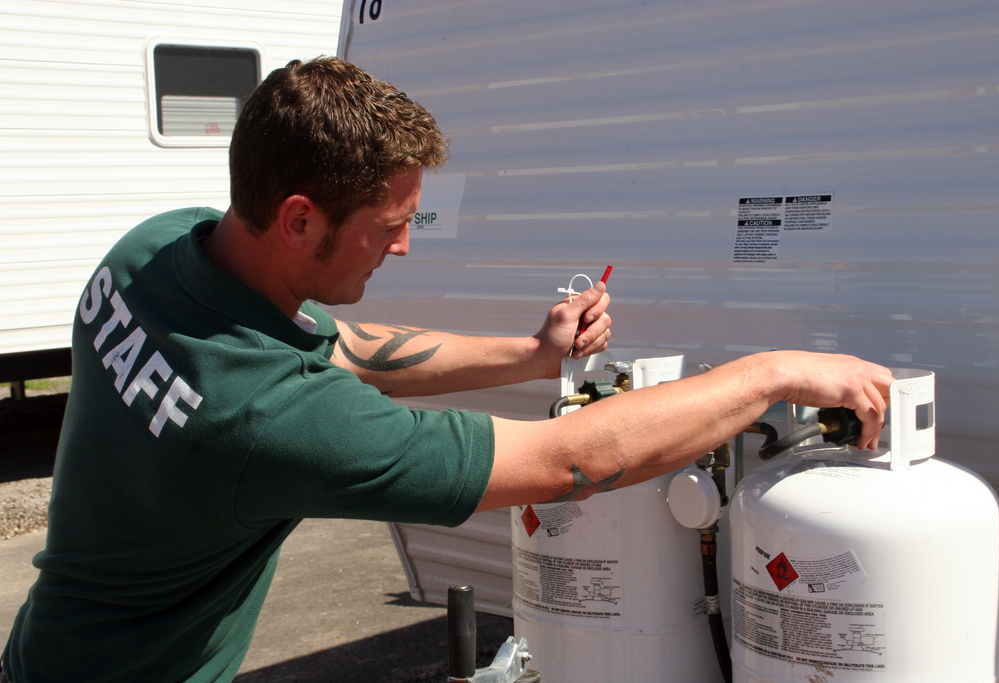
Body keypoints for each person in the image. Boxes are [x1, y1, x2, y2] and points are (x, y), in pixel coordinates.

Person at [1, 57, 892, 683]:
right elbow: (568, 462)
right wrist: (773, 372)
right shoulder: (266, 420)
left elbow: (341, 344)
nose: (401, 244)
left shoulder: (153, 250)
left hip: (47, 651)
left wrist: (532, 354)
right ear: (300, 219)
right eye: (388, 224)